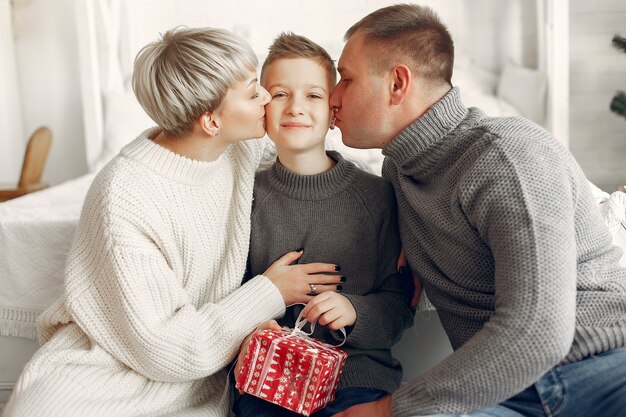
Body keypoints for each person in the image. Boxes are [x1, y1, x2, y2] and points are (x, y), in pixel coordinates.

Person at [3, 27, 342, 417]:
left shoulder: (241, 149)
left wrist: (398, 216)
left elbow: (317, 164)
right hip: (109, 367)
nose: (268, 97)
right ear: (211, 122)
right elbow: (163, 349)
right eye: (254, 92)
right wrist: (269, 291)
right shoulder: (123, 197)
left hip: (199, 369)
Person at [328, 4, 626, 417]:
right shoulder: (400, 168)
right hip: (505, 395)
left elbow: (538, 332)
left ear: (397, 83)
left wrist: (388, 410)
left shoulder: (507, 157)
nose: (333, 97)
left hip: (602, 367)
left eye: (346, 78)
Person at [232, 32, 414, 417]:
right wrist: (257, 321)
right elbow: (227, 294)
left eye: (313, 95)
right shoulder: (243, 199)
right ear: (262, 107)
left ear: (334, 111)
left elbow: (400, 308)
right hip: (272, 381)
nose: (296, 107)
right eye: (280, 94)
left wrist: (354, 310)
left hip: (358, 377)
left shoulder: (377, 197)